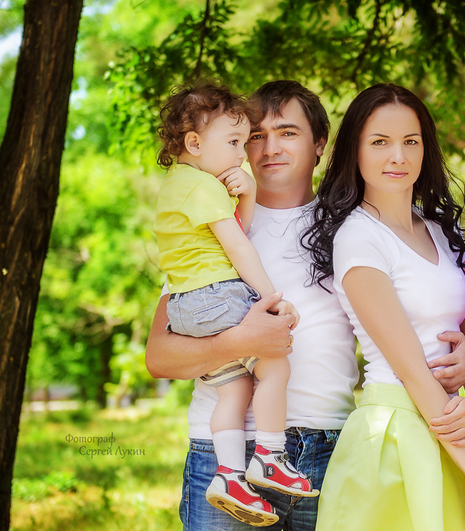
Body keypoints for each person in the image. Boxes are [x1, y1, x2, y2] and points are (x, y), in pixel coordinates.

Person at [146, 80, 465, 531]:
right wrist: (240, 342)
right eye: (256, 136)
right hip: (227, 453)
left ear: (320, 144)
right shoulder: (211, 226)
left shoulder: (353, 226)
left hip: (331, 449)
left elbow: (412, 320)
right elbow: (159, 355)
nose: (270, 148)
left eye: (287, 133)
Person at [303, 83, 465, 531]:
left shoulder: (440, 231)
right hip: (396, 435)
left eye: (410, 142)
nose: (398, 156)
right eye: (380, 142)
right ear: (355, 151)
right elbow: (411, 370)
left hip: (455, 427)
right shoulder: (359, 238)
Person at [154, 82, 318, 527]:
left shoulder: (179, 186)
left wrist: (245, 195)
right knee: (275, 366)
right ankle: (270, 455)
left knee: (235, 389)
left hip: (189, 306)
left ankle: (230, 476)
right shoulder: (203, 187)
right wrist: (271, 301)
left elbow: (230, 232)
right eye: (235, 142)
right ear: (194, 143)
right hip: (217, 294)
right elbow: (239, 247)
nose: (243, 154)